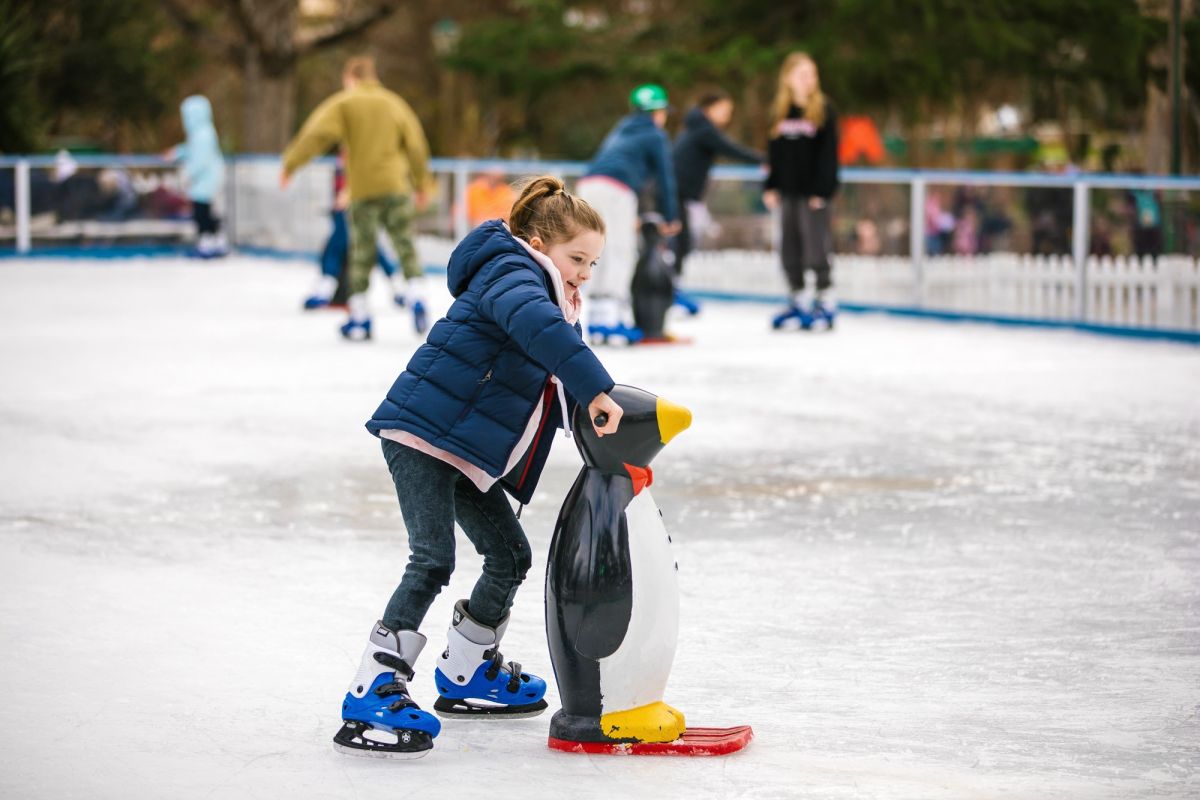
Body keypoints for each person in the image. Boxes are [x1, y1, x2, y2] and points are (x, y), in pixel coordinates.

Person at [333, 175, 625, 759]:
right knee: (432, 559)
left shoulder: (553, 294)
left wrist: (592, 410)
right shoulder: (512, 275)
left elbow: (551, 374)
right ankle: (372, 688)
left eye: (593, 264)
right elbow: (538, 334)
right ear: (539, 244)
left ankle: (465, 671)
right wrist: (597, 384)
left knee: (510, 554)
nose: (585, 275)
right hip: (420, 435)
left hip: (461, 446)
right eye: (577, 259)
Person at [281, 55, 431, 340]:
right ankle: (417, 295)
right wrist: (423, 183)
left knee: (362, 249)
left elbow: (316, 133)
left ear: (351, 78)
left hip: (362, 189)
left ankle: (360, 317)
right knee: (404, 244)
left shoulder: (345, 103)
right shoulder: (395, 103)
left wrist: (291, 163)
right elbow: (416, 144)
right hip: (396, 186)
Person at [576, 83, 681, 343]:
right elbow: (665, 177)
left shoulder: (622, 128)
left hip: (589, 184)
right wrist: (670, 216)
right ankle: (611, 317)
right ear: (657, 112)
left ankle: (599, 318)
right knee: (621, 250)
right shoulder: (655, 135)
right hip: (617, 189)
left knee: (598, 250)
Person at [763, 53, 840, 330]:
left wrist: (823, 190)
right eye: (803, 74)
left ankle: (825, 299)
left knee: (815, 246)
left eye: (813, 74)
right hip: (788, 192)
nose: (810, 80)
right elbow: (774, 153)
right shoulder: (780, 112)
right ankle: (797, 298)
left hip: (814, 194)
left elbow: (829, 155)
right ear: (788, 78)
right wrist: (771, 185)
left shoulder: (823, 110)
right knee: (790, 246)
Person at [672, 91, 763, 278]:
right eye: (724, 110)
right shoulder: (704, 130)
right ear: (710, 108)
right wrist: (765, 160)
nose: (727, 116)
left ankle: (672, 286)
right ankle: (670, 287)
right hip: (676, 191)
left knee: (682, 241)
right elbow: (731, 149)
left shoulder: (694, 127)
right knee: (680, 242)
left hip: (680, 193)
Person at [303, 150, 408, 311]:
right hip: (344, 211)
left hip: (357, 208)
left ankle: (326, 288)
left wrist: (348, 195)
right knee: (357, 246)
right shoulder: (342, 161)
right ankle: (396, 286)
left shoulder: (362, 154)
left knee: (344, 247)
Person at [165, 96, 227, 258]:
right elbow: (192, 149)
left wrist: (187, 175)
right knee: (205, 212)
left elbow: (201, 158)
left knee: (202, 213)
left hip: (205, 180)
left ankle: (208, 243)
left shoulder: (204, 134)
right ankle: (215, 241)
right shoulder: (201, 133)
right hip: (205, 180)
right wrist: (177, 152)